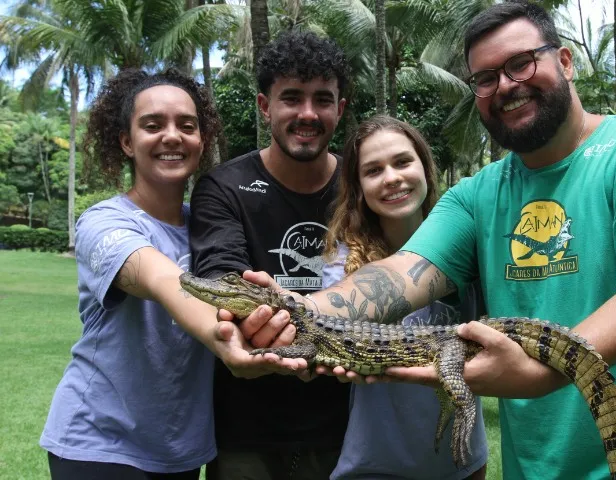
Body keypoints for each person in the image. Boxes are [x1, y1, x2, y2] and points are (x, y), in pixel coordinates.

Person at [245, 2, 616, 479]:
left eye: (521, 63)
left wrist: (537, 376)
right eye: (486, 78)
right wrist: (294, 311)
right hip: (533, 469)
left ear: (564, 61)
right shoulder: (478, 194)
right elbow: (398, 275)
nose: (506, 86)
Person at [39, 69, 284, 480]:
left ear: (201, 142)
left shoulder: (213, 231)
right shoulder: (103, 222)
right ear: (126, 141)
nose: (172, 136)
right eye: (152, 126)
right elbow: (162, 279)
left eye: (187, 126)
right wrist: (227, 342)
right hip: (100, 444)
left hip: (183, 451)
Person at [189, 30, 351, 479]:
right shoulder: (224, 187)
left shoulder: (362, 187)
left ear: (340, 108)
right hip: (246, 433)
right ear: (265, 106)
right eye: (291, 98)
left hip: (351, 430)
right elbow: (223, 284)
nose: (307, 114)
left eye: (322, 99)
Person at [320, 116, 488, 480]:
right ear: (359, 187)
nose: (392, 178)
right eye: (373, 170)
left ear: (425, 168)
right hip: (377, 463)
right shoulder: (342, 263)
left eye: (402, 162)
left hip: (461, 459)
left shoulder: (471, 245)